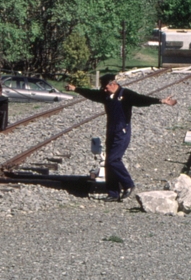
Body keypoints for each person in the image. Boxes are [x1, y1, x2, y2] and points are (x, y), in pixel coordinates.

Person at [65, 73, 177, 202]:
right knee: (108, 163)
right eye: (103, 89)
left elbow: (141, 99)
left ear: (113, 84)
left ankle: (128, 184)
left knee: (114, 160)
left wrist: (160, 101)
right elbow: (91, 94)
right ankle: (113, 193)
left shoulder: (126, 94)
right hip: (111, 131)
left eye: (106, 88)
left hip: (122, 132)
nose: (104, 90)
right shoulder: (105, 95)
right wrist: (76, 89)